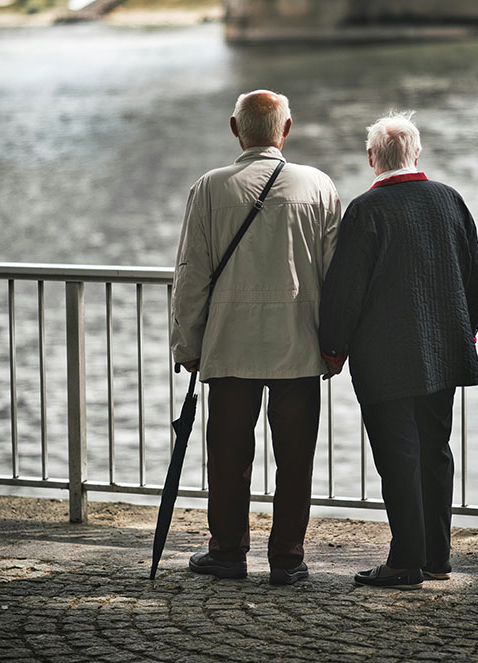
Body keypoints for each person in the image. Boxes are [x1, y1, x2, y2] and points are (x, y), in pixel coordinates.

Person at [171, 90, 340, 585]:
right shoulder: (318, 185)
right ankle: (287, 558)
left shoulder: (209, 188)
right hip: (298, 348)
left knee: (228, 459)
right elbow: (337, 278)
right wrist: (334, 347)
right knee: (295, 460)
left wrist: (188, 345)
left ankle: (227, 553)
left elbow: (191, 276)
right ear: (286, 130)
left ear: (234, 128)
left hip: (229, 348)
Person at [319, 112, 478, 590]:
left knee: (398, 460)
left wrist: (333, 349)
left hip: (386, 359)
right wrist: (465, 332)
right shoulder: (450, 199)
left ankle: (405, 562)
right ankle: (437, 558)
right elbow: (475, 279)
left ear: (372, 158)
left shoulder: (367, 211)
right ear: (417, 153)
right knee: (435, 452)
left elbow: (345, 290)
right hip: (445, 352)